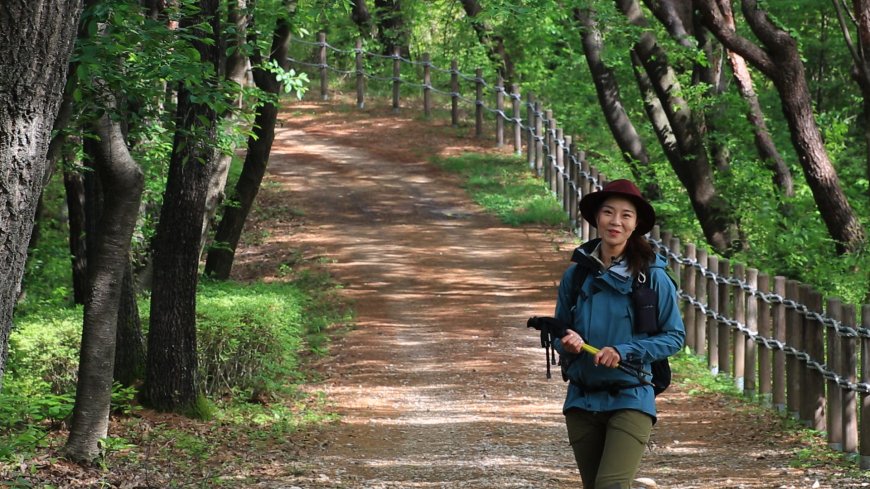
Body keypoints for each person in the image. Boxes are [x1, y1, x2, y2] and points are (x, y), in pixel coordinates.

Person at [552, 179, 685, 489]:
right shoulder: (577, 274)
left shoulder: (653, 276)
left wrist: (623, 350)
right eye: (609, 212)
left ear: (636, 224)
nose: (616, 221)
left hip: (632, 394)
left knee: (609, 486)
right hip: (582, 399)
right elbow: (560, 329)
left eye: (626, 215)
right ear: (597, 217)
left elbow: (674, 336)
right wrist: (567, 344)